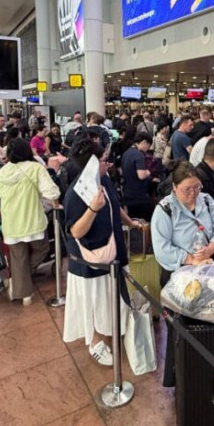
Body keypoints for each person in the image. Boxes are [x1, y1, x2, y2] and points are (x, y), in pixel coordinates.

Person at [151, 160, 214, 384]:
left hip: (209, 270)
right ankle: (181, 375)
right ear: (174, 188)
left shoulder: (207, 200)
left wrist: (212, 247)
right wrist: (190, 259)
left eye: (196, 187)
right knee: (181, 329)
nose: (193, 193)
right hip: (179, 277)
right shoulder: (165, 209)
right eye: (187, 189)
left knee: (210, 324)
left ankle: (208, 371)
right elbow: (162, 248)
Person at [64, 139, 138, 365]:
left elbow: (115, 206)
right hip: (93, 259)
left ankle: (107, 332)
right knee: (96, 302)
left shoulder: (102, 180)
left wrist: (130, 222)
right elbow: (76, 231)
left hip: (112, 251)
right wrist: (93, 208)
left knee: (109, 298)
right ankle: (96, 341)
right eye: (105, 160)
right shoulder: (77, 193)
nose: (109, 164)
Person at [0, 138, 60, 305]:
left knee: (18, 257)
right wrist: (56, 202)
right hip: (32, 220)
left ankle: (22, 291)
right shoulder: (35, 168)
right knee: (42, 248)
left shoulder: (2, 172)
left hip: (11, 222)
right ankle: (21, 281)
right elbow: (52, 192)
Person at [121, 131, 155, 219]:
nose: (148, 149)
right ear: (144, 142)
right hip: (139, 195)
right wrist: (149, 171)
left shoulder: (126, 153)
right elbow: (141, 175)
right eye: (148, 145)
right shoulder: (139, 155)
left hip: (128, 194)